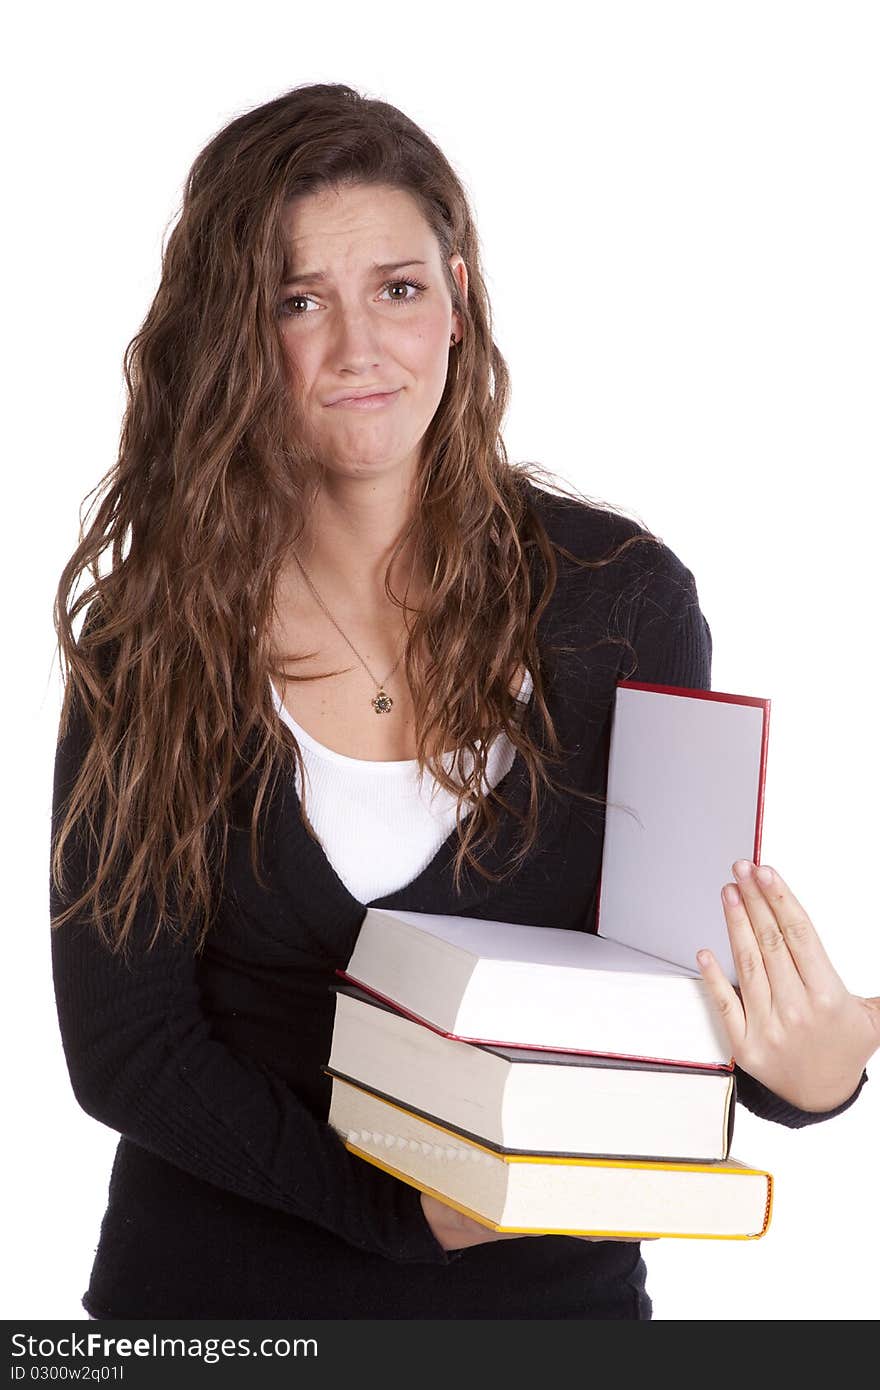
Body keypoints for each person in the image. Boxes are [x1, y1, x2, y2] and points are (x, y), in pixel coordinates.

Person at [50, 82, 874, 1322]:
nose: (356, 349)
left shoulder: (620, 604)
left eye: (396, 287)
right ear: (236, 329)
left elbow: (673, 981)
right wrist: (389, 1207)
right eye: (296, 302)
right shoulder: (151, 635)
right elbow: (127, 1043)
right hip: (213, 1311)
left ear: (457, 293)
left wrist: (805, 1079)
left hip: (546, 1314)